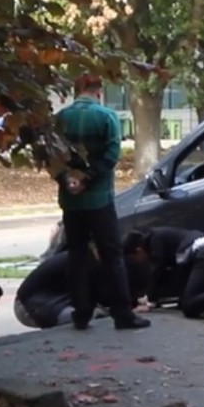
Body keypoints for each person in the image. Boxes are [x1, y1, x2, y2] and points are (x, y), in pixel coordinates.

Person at [54, 73, 150, 331]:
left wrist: (67, 180)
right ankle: (122, 314)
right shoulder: (107, 117)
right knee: (112, 255)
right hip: (99, 199)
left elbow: (50, 154)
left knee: (76, 255)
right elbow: (110, 155)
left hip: (71, 201)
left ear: (78, 89)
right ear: (98, 91)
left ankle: (82, 312)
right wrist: (87, 179)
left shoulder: (60, 119)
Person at [14, 247, 149, 330]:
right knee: (92, 319)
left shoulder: (86, 258)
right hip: (30, 305)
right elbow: (100, 295)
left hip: (50, 300)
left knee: (94, 314)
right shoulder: (85, 262)